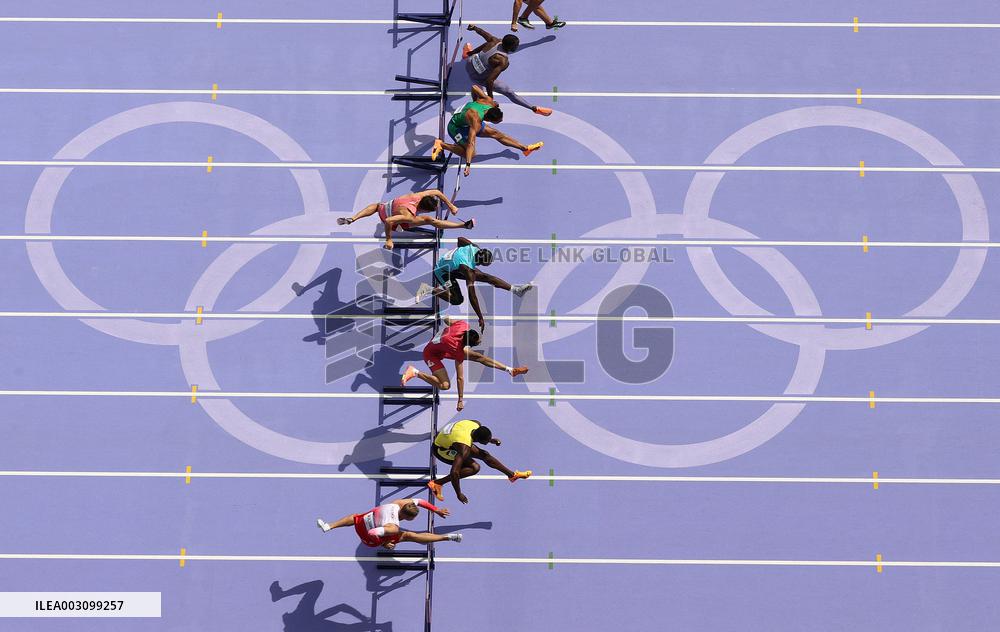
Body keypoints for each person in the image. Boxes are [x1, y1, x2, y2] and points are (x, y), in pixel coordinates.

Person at [400, 316, 529, 411]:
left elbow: (447, 320)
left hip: (442, 346)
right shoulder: (457, 350)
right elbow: (460, 377)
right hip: (431, 354)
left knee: (479, 357)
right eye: (477, 342)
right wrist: (460, 399)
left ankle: (510, 370)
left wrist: (444, 319)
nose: (479, 341)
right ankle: (414, 372)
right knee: (445, 385)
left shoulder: (463, 325)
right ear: (467, 344)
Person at [415, 237, 534, 331]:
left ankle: (516, 290)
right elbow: (472, 296)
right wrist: (480, 316)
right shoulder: (468, 271)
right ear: (479, 261)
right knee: (457, 300)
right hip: (443, 272)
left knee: (486, 277)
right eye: (482, 264)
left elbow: (460, 239)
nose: (480, 266)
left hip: (454, 267)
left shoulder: (473, 247)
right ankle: (428, 289)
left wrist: (458, 256)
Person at [431, 85, 543, 176]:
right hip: (455, 127)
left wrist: (475, 100)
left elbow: (474, 87)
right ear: (488, 119)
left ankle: (525, 148)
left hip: (468, 121)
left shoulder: (489, 101)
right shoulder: (476, 121)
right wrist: (468, 165)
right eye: (497, 121)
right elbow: (471, 143)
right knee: (471, 154)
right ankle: (441, 144)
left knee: (496, 134)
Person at [428, 419, 532, 503]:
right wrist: (458, 494)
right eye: (486, 441)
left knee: (485, 454)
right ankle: (437, 483)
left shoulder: (475, 424)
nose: (487, 442)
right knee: (474, 468)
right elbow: (454, 472)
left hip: (451, 438)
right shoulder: (464, 447)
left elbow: (474, 435)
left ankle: (512, 475)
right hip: (441, 450)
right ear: (477, 439)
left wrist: (490, 440)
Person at [336, 189, 473, 250]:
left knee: (377, 206)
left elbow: (436, 192)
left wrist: (451, 206)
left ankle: (353, 218)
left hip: (384, 208)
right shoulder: (409, 215)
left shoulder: (417, 196)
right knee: (430, 220)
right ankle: (462, 225)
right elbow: (389, 221)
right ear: (424, 209)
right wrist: (389, 239)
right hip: (392, 219)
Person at [462, 24, 552, 116]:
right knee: (508, 92)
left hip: (469, 64)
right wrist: (490, 98)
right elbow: (489, 81)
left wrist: (474, 28)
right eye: (516, 45)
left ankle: (468, 54)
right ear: (511, 48)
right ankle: (534, 108)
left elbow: (482, 32)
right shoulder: (503, 61)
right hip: (476, 78)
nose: (517, 46)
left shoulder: (495, 40)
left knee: (487, 44)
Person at [316, 498, 461, 549]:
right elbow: (372, 533)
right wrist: (383, 543)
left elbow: (421, 501)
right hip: (368, 538)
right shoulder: (393, 527)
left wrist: (436, 510)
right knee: (409, 535)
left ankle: (329, 526)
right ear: (408, 517)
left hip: (360, 523)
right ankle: (447, 537)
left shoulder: (398, 503)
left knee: (355, 516)